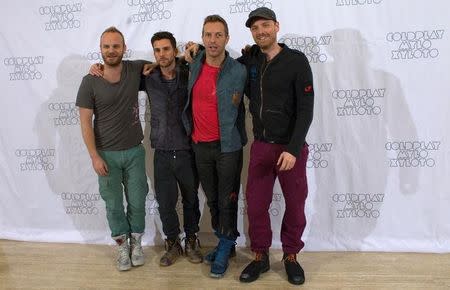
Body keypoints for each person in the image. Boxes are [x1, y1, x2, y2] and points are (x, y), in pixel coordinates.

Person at [237, 7, 314, 285]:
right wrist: (193, 56)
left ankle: (291, 255)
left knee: (295, 205)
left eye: (265, 26)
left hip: (290, 149)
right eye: (255, 28)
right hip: (261, 147)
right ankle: (260, 255)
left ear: (277, 27)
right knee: (256, 205)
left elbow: (306, 110)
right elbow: (219, 66)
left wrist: (293, 149)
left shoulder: (296, 61)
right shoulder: (250, 61)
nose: (260, 32)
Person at [76, 26, 148, 271]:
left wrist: (191, 52)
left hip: (134, 152)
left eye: (116, 46)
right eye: (106, 46)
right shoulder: (90, 81)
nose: (111, 50)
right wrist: (94, 156)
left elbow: (163, 62)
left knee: (138, 201)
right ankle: (121, 247)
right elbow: (85, 122)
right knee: (114, 205)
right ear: (100, 49)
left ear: (124, 48)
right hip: (105, 154)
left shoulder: (135, 68)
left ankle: (136, 244)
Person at [181, 15, 247, 278]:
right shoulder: (194, 62)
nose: (212, 40)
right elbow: (168, 60)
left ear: (227, 38)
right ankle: (226, 244)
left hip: (228, 148)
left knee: (227, 200)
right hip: (200, 146)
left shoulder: (239, 70)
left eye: (218, 35)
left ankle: (224, 247)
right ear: (202, 37)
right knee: (214, 201)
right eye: (208, 35)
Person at [143, 31, 202, 266]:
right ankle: (172, 242)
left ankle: (191, 240)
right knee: (166, 202)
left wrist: (197, 49)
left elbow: (212, 57)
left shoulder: (189, 71)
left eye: (166, 49)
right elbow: (121, 69)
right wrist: (97, 68)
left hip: (187, 149)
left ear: (175, 50)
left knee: (191, 200)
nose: (161, 54)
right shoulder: (147, 76)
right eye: (157, 50)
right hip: (162, 152)